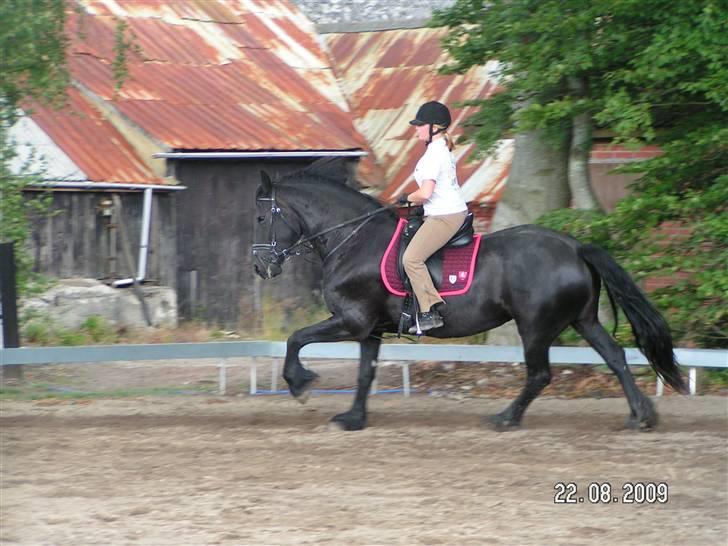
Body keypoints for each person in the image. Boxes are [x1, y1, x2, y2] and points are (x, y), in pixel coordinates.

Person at [399, 101, 468, 333]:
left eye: (420, 125)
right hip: (444, 210)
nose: (416, 129)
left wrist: (407, 198)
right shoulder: (441, 150)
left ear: (434, 127)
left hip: (444, 216)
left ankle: (430, 312)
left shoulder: (433, 154)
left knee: (411, 259)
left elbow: (426, 193)